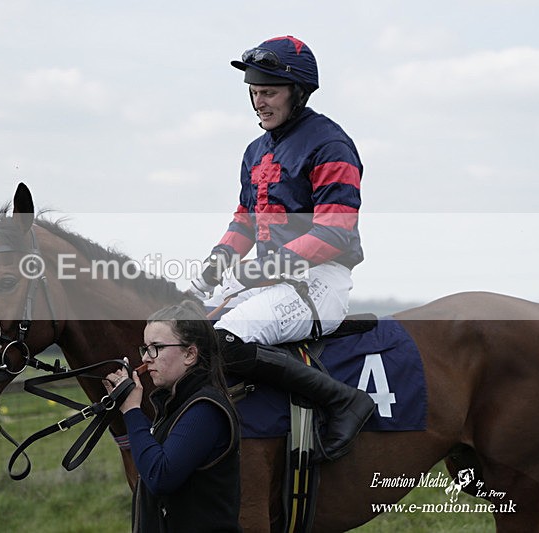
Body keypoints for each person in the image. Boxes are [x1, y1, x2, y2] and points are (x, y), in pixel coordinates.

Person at [189, 35, 375, 463]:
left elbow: (335, 231)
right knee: (184, 330)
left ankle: (345, 401)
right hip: (270, 278)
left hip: (318, 284)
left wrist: (263, 269)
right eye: (254, 92)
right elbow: (244, 221)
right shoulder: (255, 151)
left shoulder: (331, 144)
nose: (259, 102)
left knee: (220, 340)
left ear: (299, 92)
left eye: (268, 92)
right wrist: (213, 269)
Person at [104, 300, 242, 532]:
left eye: (155, 347)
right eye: (145, 348)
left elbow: (160, 475)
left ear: (189, 354)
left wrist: (132, 410)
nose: (146, 358)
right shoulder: (178, 404)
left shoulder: (205, 410)